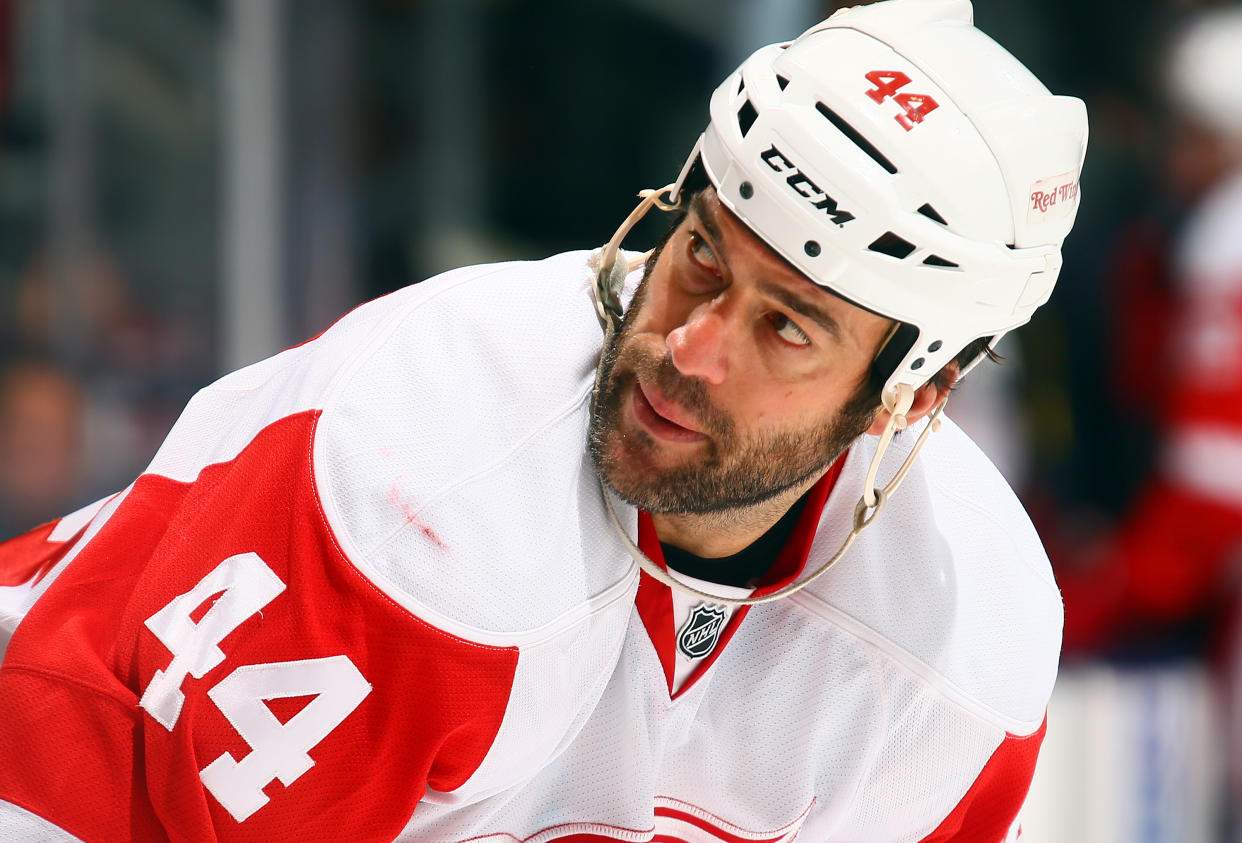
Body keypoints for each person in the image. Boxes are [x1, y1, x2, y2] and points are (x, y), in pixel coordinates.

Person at [0, 0, 1087, 839]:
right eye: (701, 253)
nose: (689, 348)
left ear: (916, 396)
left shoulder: (959, 648)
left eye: (787, 329)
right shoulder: (433, 478)